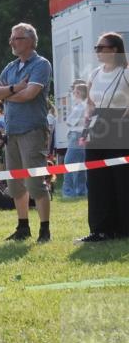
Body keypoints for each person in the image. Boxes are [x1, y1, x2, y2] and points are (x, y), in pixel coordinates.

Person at [0, 23, 53, 243]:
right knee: (15, 184)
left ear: (29, 41)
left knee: (36, 183)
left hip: (32, 130)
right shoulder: (11, 66)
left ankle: (45, 230)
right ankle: (23, 227)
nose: (11, 42)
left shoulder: (41, 64)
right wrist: (15, 88)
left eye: (16, 38)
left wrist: (7, 93)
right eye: (11, 38)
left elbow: (31, 94)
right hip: (12, 132)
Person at [79, 32, 129, 241]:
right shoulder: (94, 74)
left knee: (122, 178)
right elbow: (90, 104)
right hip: (98, 127)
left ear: (115, 49)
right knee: (97, 178)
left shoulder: (126, 72)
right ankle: (99, 229)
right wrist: (86, 129)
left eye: (102, 47)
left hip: (121, 126)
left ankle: (124, 227)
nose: (98, 51)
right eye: (96, 48)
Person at [62, 82, 90, 198]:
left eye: (74, 92)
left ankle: (69, 192)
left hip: (75, 136)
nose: (73, 94)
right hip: (83, 136)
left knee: (68, 164)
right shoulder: (86, 105)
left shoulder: (79, 107)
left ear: (78, 93)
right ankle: (81, 191)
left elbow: (68, 121)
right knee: (81, 166)